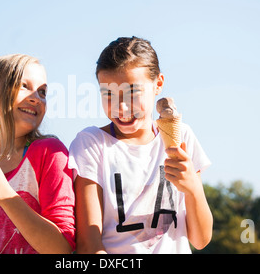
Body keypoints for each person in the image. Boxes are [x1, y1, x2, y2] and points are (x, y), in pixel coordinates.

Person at [69, 37, 213, 254]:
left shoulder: (183, 136)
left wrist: (192, 187)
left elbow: (201, 239)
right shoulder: (91, 144)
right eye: (108, 94)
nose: (121, 106)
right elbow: (89, 245)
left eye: (133, 92)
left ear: (159, 84)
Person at [0, 54, 75, 254]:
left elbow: (61, 247)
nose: (36, 98)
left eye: (42, 92)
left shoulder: (49, 153)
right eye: (24, 86)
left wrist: (6, 196)